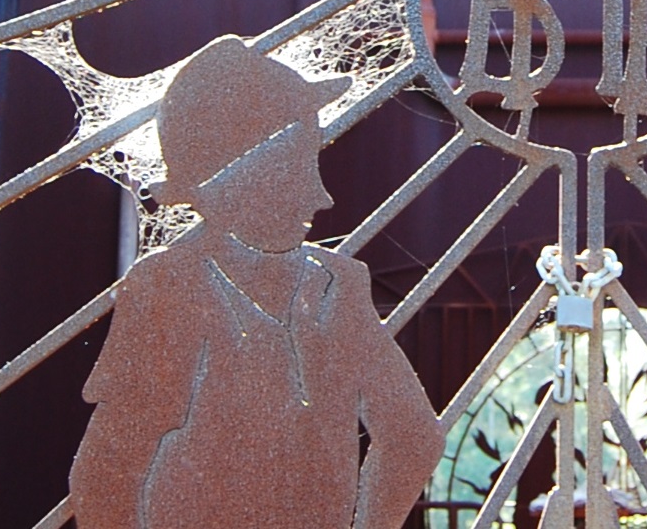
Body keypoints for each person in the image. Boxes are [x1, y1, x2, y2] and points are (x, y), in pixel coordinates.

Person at [69, 35, 441, 529]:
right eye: (298, 167)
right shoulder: (172, 286)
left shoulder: (338, 286)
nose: (320, 196)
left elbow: (414, 437)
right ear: (239, 178)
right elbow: (107, 473)